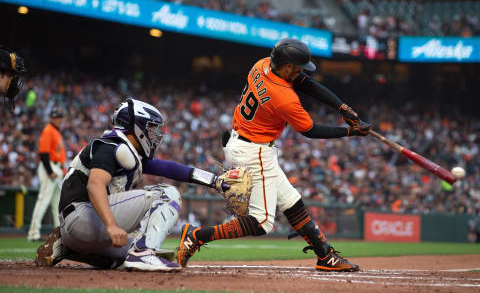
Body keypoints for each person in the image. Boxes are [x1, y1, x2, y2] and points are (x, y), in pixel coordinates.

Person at [177, 38, 371, 272]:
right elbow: (310, 130)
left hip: (245, 143)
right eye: (298, 68)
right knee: (261, 222)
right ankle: (197, 236)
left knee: (291, 202)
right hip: (254, 151)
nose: (301, 72)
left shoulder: (263, 64)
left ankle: (325, 256)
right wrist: (349, 132)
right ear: (287, 66)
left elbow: (306, 83)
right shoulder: (283, 97)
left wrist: (342, 108)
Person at [34, 98, 230, 271]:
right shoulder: (111, 145)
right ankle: (143, 253)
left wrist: (214, 181)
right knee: (167, 194)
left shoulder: (124, 149)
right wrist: (111, 225)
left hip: (79, 228)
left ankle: (68, 248)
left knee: (128, 257)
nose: (154, 134)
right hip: (83, 216)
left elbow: (170, 169)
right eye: (151, 128)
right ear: (136, 125)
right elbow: (95, 185)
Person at [27, 107, 66, 241]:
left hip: (57, 168)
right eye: (56, 117)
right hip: (49, 167)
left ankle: (58, 233)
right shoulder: (48, 130)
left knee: (57, 204)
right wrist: (50, 171)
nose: (59, 119)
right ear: (51, 118)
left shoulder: (56, 132)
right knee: (43, 200)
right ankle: (33, 233)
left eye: (60, 117)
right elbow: (43, 153)